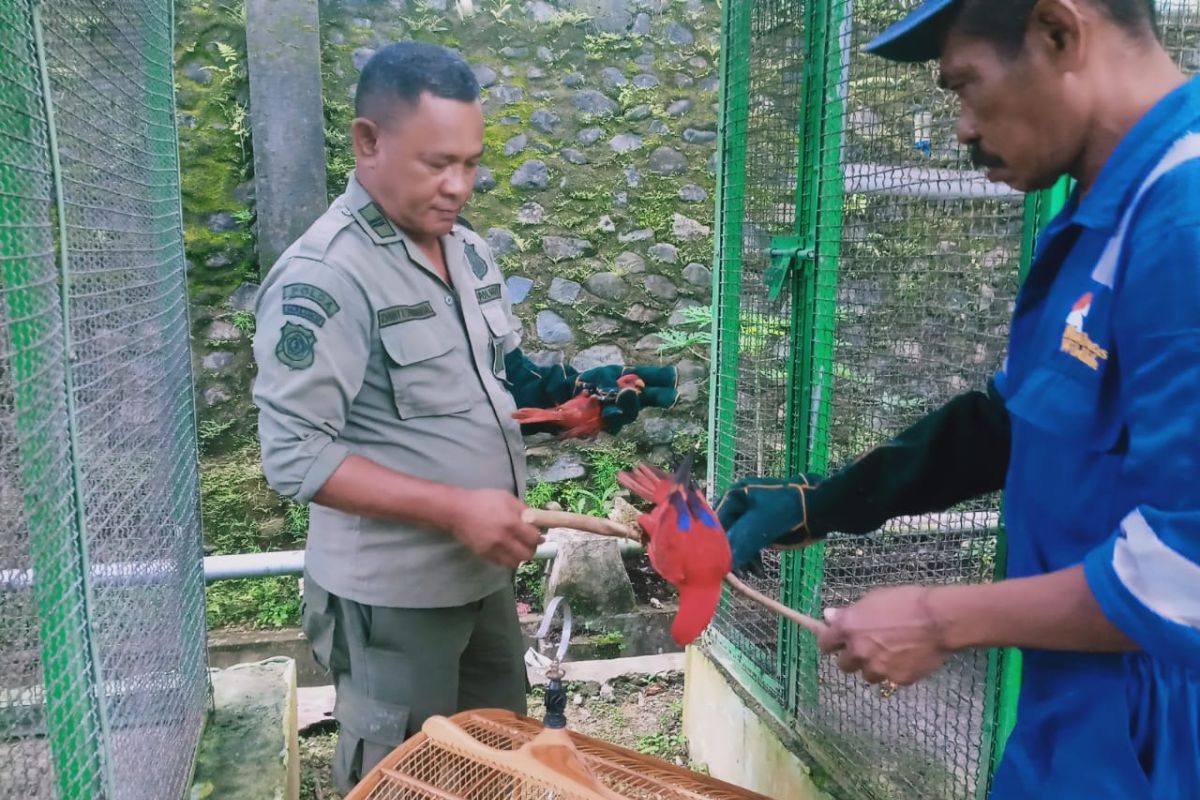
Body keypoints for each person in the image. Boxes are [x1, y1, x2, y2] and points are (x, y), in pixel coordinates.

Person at [717, 1, 1200, 796]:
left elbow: (1186, 568)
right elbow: (1011, 421)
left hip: (1165, 734)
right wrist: (825, 501)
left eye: (967, 86)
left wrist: (941, 618)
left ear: (1058, 31)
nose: (965, 128)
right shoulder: (1099, 212)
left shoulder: (1182, 223)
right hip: (1080, 711)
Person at [250, 41, 676, 792]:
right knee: (405, 777)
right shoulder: (326, 276)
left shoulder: (469, 252)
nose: (459, 186)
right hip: (395, 599)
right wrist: (455, 508)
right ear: (367, 141)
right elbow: (296, 456)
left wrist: (572, 404)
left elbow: (499, 380)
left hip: (481, 579)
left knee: (492, 766)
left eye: (472, 163)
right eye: (435, 163)